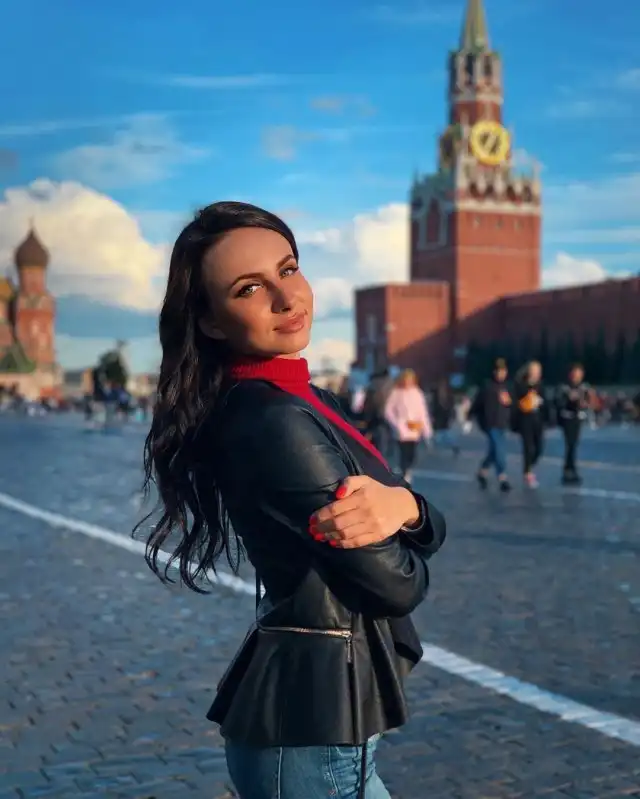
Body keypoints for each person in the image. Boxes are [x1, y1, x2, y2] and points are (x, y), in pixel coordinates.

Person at [135, 202, 446, 799]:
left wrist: (406, 508)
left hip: (320, 728)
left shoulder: (305, 398)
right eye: (250, 288)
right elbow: (397, 585)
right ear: (211, 322)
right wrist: (412, 514)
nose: (286, 297)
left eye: (288, 268)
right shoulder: (276, 421)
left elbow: (412, 520)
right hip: (310, 741)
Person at [470, 358, 512, 492]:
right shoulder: (487, 386)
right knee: (499, 450)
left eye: (503, 371)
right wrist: (470, 416)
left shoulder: (507, 387)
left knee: (494, 451)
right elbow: (477, 403)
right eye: (499, 371)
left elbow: (511, 405)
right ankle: (502, 477)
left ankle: (482, 471)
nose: (501, 374)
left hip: (502, 423)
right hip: (490, 423)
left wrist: (509, 404)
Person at [384, 369, 432, 483]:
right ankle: (404, 472)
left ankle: (407, 470)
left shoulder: (417, 393)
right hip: (401, 428)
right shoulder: (396, 393)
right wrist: (396, 423)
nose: (408, 382)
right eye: (406, 380)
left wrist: (427, 431)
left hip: (414, 428)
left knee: (412, 454)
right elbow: (388, 410)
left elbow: (422, 412)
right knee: (403, 453)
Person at [556, 363, 590, 485]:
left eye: (579, 374)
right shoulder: (564, 387)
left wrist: (584, 403)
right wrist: (568, 400)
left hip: (578, 418)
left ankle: (571, 469)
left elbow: (587, 402)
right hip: (567, 418)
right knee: (570, 444)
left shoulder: (584, 387)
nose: (577, 376)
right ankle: (569, 470)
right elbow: (558, 402)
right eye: (575, 373)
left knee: (574, 444)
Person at [514, 360, 545, 488]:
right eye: (534, 370)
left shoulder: (540, 385)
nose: (536, 373)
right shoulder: (521, 385)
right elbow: (517, 401)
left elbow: (544, 402)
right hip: (525, 419)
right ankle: (527, 472)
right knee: (528, 446)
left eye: (538, 371)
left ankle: (529, 465)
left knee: (539, 447)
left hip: (537, 419)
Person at [362, 368, 395, 457]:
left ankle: (378, 456)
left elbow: (368, 404)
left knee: (378, 438)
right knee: (386, 438)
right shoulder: (392, 385)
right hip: (388, 417)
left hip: (376, 416)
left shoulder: (373, 386)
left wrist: (366, 418)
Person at [431, 379, 460, 456]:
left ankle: (433, 448)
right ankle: (453, 445)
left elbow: (435, 407)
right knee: (444, 433)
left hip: (440, 417)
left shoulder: (437, 396)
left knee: (440, 435)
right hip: (444, 417)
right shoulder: (447, 395)